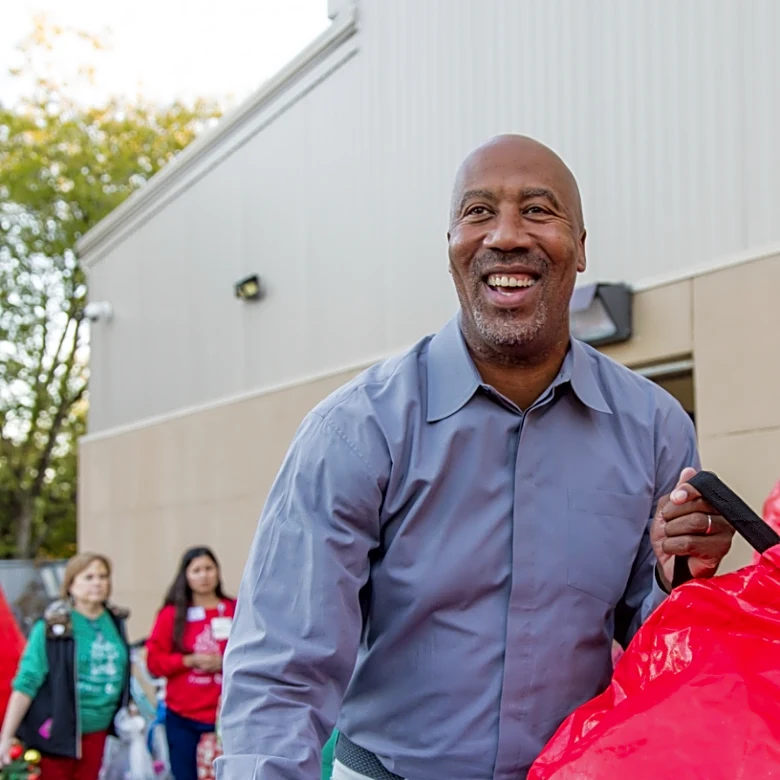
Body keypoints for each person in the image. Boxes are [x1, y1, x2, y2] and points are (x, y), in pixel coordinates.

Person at [216, 135, 735, 780]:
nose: (506, 235)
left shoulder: (656, 428)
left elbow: (660, 654)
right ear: (452, 247)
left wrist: (679, 581)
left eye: (538, 210)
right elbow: (282, 671)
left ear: (580, 249)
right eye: (479, 212)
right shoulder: (353, 431)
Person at [0, 552, 131, 780]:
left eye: (103, 576)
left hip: (99, 730)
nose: (97, 583)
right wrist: (6, 737)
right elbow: (27, 681)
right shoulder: (54, 627)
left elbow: (121, 669)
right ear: (70, 584)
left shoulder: (114, 621)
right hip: (57, 732)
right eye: (88, 577)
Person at [146, 546, 235, 780]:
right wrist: (188, 660)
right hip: (184, 716)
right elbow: (154, 662)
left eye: (208, 568)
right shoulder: (172, 614)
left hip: (228, 715)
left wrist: (224, 662)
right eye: (196, 570)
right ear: (185, 575)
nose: (204, 575)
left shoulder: (235, 609)